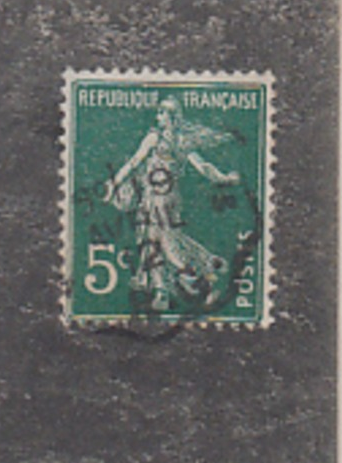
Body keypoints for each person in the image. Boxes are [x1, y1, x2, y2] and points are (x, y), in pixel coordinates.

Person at [103, 97, 240, 311]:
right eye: (158, 113)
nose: (158, 117)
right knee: (169, 238)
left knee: (158, 243)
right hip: (162, 198)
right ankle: (209, 261)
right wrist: (223, 178)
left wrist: (113, 183)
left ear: (171, 117)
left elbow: (134, 163)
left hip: (159, 199)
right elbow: (203, 166)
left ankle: (166, 289)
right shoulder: (178, 141)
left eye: (162, 113)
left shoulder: (157, 139)